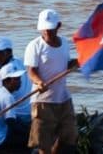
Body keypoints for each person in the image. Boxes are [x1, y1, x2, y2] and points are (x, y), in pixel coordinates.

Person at [25, 9, 78, 154]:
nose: (47, 31)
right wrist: (39, 82)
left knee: (69, 135)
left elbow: (66, 65)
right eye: (44, 28)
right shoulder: (34, 46)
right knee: (43, 142)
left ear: (58, 26)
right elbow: (31, 71)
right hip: (43, 101)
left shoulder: (64, 43)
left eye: (50, 28)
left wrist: (77, 62)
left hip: (63, 98)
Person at [0, 36, 32, 120]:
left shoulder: (5, 70)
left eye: (1, 53)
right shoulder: (20, 61)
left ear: (9, 52)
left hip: (18, 114)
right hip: (30, 110)